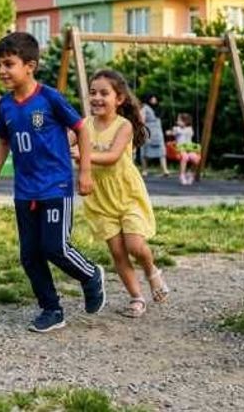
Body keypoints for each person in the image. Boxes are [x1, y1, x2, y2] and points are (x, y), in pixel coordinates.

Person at [0, 32, 105, 333]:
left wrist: (85, 171)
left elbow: (82, 130)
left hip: (56, 186)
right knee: (29, 255)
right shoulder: (5, 106)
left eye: (8, 64)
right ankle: (51, 309)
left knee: (55, 247)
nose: (1, 70)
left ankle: (91, 276)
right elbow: (3, 139)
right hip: (24, 190)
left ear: (30, 66)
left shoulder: (50, 98)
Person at [76, 70, 169, 318]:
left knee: (135, 245)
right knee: (117, 251)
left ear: (119, 99)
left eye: (104, 93)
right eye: (93, 92)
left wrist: (83, 155)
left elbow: (112, 156)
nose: (96, 97)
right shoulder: (83, 125)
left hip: (126, 193)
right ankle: (137, 297)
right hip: (99, 197)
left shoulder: (124, 125)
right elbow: (63, 142)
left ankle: (151, 272)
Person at [139, 94, 169, 178]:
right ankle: (144, 170)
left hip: (158, 131)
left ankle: (165, 170)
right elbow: (142, 120)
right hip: (148, 131)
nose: (154, 99)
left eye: (155, 97)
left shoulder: (158, 108)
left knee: (161, 151)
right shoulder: (145, 108)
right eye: (152, 98)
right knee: (145, 151)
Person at [170, 113, 200, 186]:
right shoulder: (176, 129)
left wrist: (176, 131)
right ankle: (182, 175)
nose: (177, 122)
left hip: (188, 148)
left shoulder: (189, 129)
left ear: (185, 122)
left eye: (179, 120)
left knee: (196, 158)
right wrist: (171, 132)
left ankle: (190, 173)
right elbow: (172, 133)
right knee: (185, 157)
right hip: (179, 149)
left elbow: (187, 133)